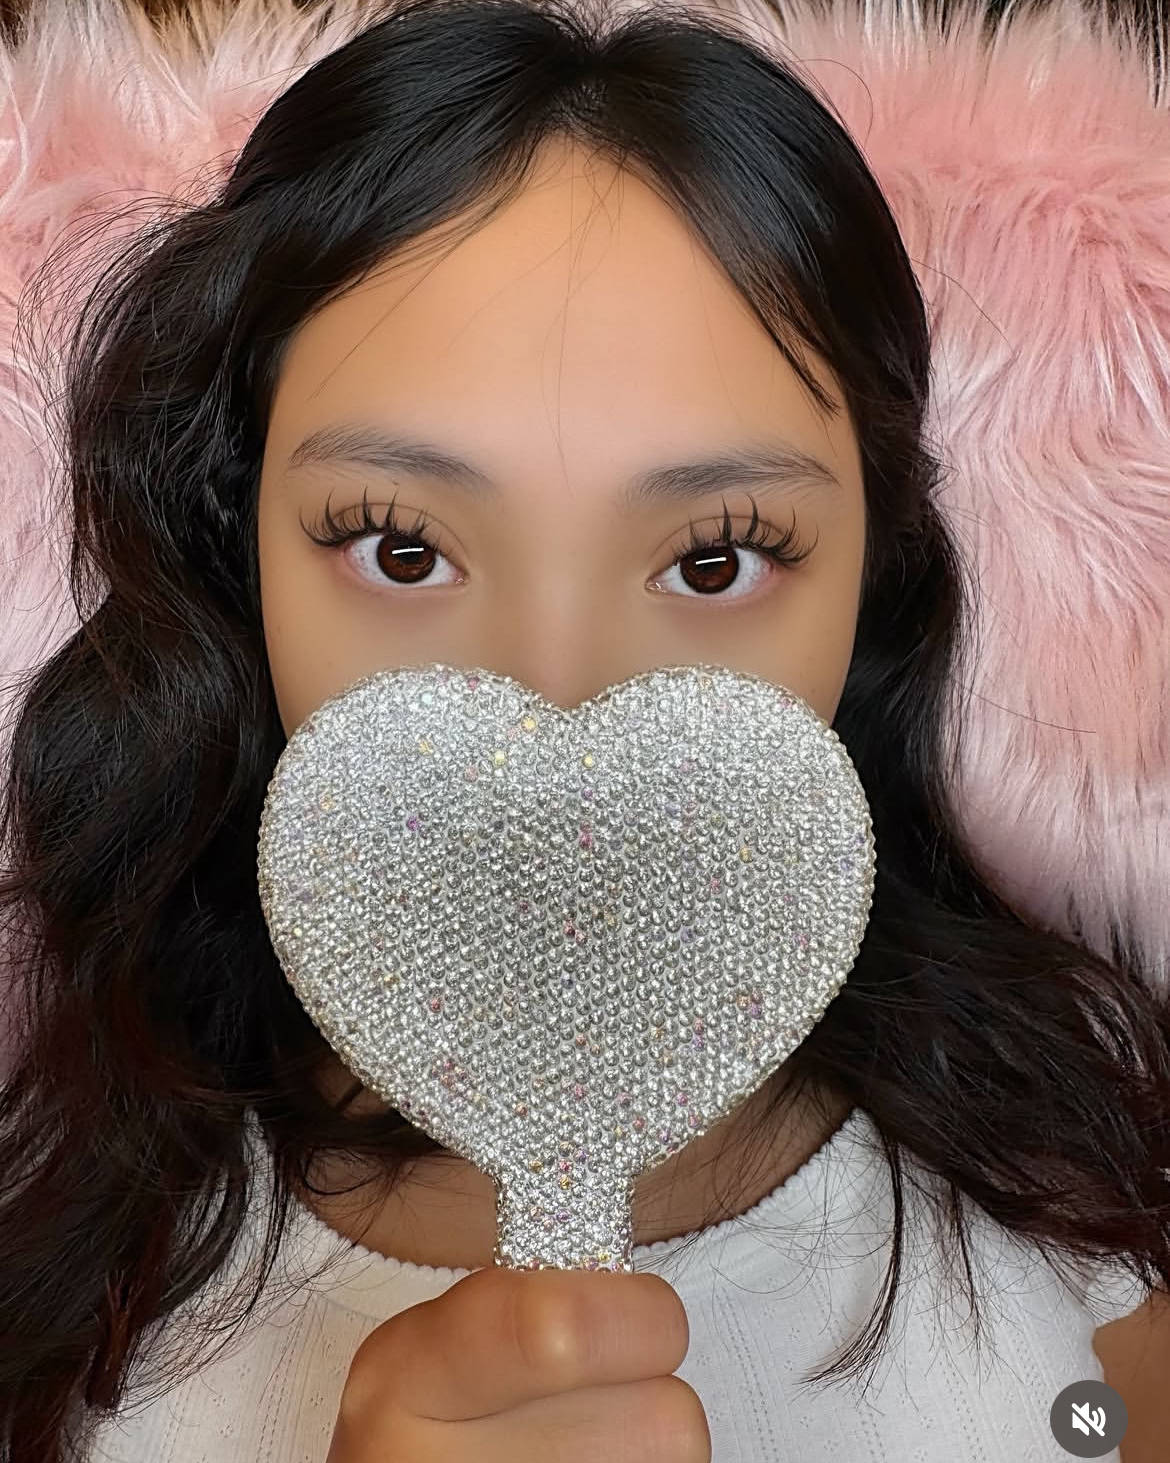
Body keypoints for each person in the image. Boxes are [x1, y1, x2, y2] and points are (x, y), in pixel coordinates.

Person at [0, 0, 1166, 1458]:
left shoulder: (1077, 1222)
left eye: (716, 560)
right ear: (239, 557)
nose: (556, 706)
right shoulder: (74, 1289)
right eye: (401, 549)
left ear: (871, 582)